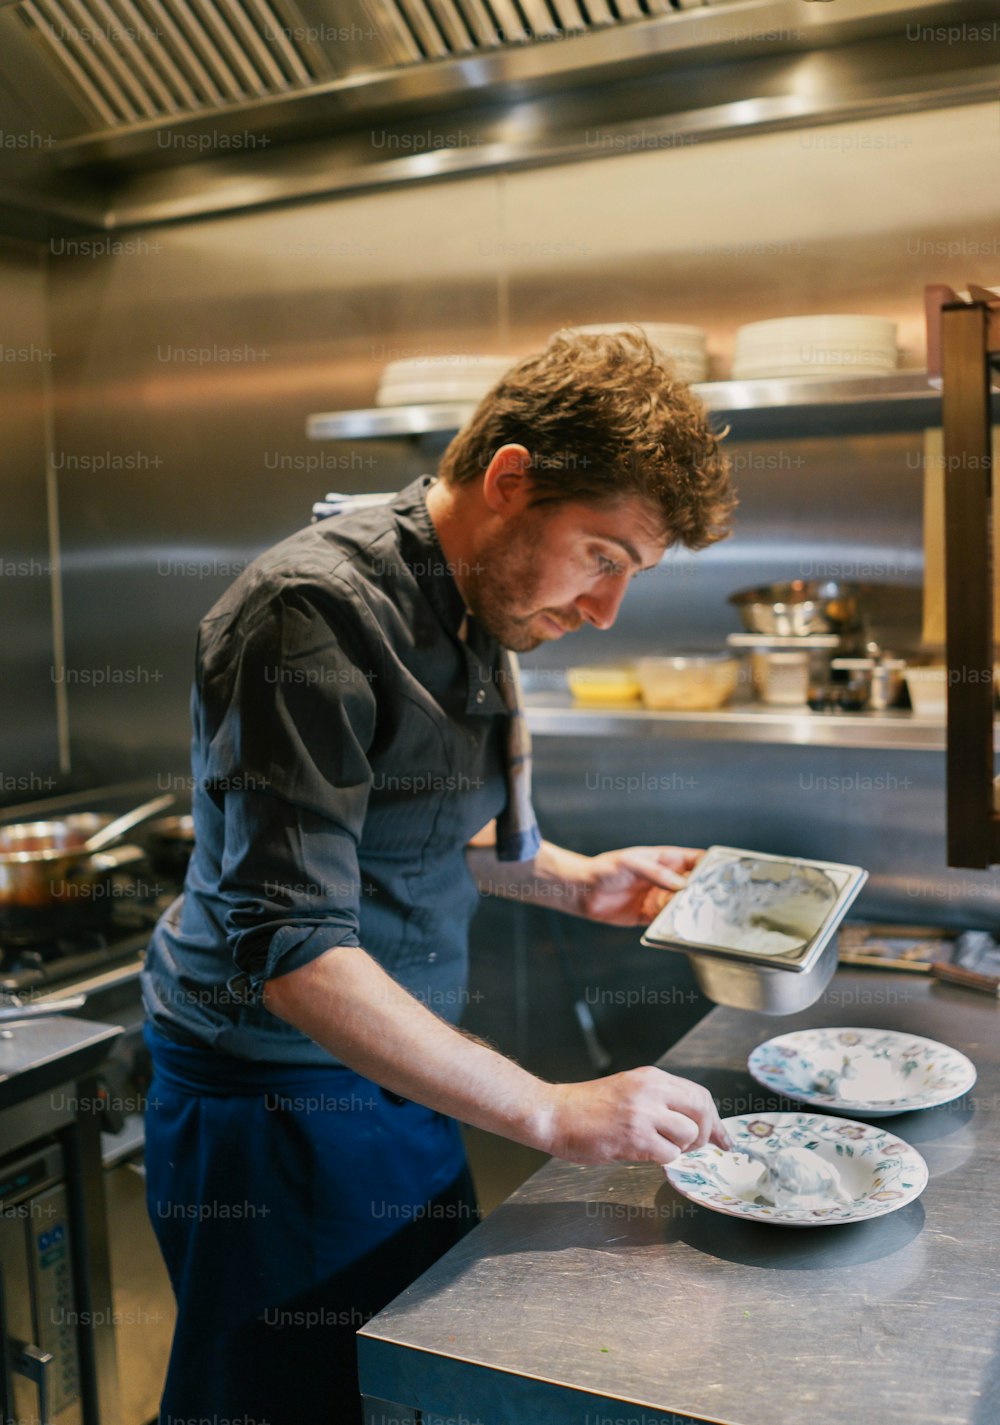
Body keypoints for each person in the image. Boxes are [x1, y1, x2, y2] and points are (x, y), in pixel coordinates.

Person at [140, 330, 737, 1425]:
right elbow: (297, 954)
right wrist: (554, 1112)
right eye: (602, 556)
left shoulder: (476, 605)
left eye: (628, 575)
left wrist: (574, 881)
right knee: (283, 1403)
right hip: (275, 1098)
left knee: (406, 1382)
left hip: (406, 1071)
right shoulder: (309, 615)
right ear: (510, 480)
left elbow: (409, 825)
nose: (606, 610)